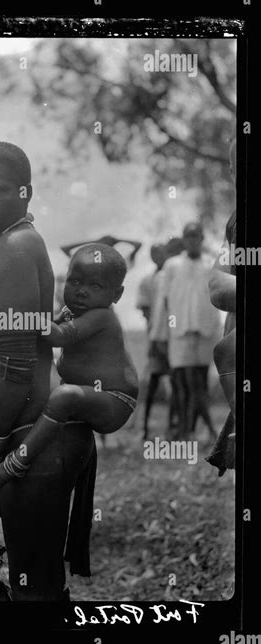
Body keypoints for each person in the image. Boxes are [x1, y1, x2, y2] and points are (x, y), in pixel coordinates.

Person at [0, 141, 97, 600]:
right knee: (32, 579)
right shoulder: (5, 246)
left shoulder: (16, 247)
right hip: (28, 434)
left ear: (24, 193)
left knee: (34, 586)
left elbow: (15, 362)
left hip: (33, 436)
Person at [0, 243, 138, 497]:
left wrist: (10, 305)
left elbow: (57, 335)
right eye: (74, 281)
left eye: (95, 286)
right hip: (88, 394)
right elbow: (38, 326)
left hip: (115, 400)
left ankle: (12, 467)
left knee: (64, 397)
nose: (81, 291)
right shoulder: (68, 311)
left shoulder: (102, 317)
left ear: (116, 294)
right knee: (37, 388)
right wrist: (0, 306)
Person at [151, 223, 221, 442]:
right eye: (188, 236)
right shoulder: (172, 266)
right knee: (185, 384)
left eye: (196, 236)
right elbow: (163, 302)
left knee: (199, 382)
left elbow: (216, 300)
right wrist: (159, 335)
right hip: (179, 333)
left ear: (201, 238)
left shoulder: (211, 264)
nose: (192, 240)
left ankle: (189, 430)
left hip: (205, 333)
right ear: (183, 239)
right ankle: (197, 429)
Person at [206, 133, 237, 474]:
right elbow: (217, 285)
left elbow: (220, 282)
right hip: (234, 328)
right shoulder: (235, 220)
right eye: (234, 168)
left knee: (226, 351)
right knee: (226, 351)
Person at [137, 243, 172, 438]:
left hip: (173, 335)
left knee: (177, 381)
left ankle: (173, 426)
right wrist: (155, 327)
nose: (157, 256)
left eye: (160, 252)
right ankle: (145, 428)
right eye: (153, 254)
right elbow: (145, 309)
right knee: (154, 378)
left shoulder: (171, 276)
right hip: (156, 335)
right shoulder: (147, 280)